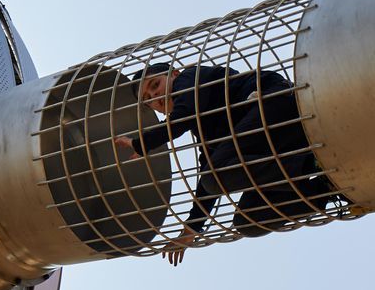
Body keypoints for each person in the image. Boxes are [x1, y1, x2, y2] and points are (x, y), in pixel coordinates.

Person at [113, 60, 334, 263]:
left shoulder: (190, 78)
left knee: (214, 174)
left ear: (174, 74)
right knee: (247, 222)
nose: (155, 96)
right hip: (271, 146)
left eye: (155, 85)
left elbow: (184, 116)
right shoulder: (203, 126)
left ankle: (312, 163)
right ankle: (324, 188)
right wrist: (191, 230)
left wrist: (142, 144)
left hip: (275, 106)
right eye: (148, 100)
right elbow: (208, 173)